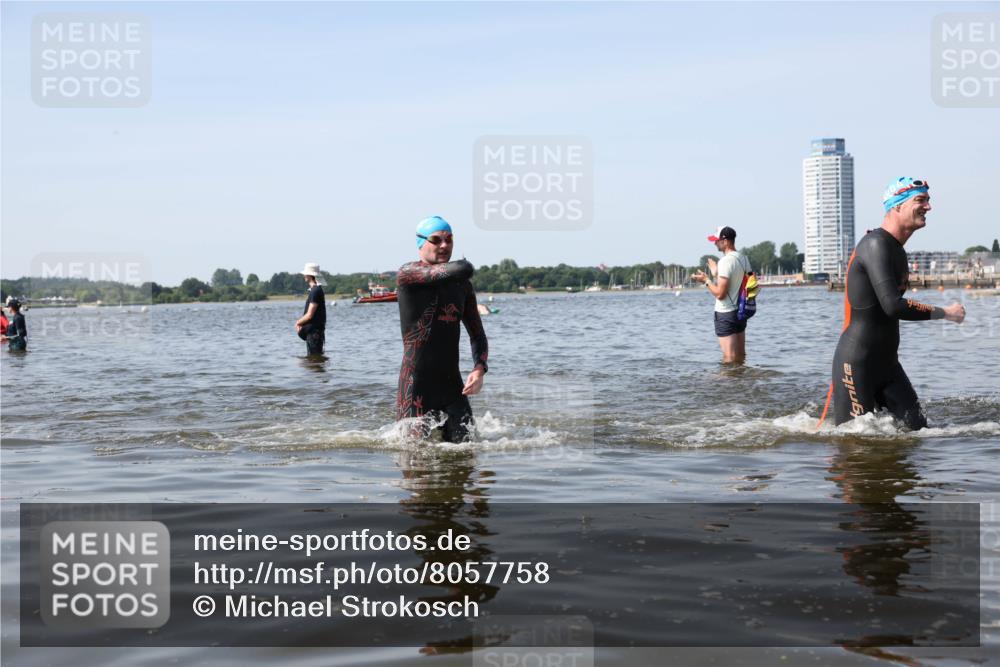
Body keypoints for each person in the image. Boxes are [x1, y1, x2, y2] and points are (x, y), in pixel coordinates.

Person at [822, 178, 965, 430]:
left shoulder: (896, 249)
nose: (928, 207)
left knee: (920, 431)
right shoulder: (875, 244)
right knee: (855, 445)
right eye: (920, 200)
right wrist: (946, 313)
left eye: (928, 200)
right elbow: (893, 305)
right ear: (896, 206)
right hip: (857, 364)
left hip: (888, 364)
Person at [396, 215, 488, 443]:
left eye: (449, 239)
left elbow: (477, 334)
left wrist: (479, 368)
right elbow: (464, 267)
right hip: (416, 387)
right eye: (436, 240)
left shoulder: (462, 286)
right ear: (420, 243)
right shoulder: (409, 275)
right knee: (416, 466)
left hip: (452, 387)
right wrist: (464, 265)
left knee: (467, 457)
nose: (444, 245)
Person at [691, 226, 752, 363]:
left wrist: (706, 281)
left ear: (725, 241)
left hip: (726, 314)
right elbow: (741, 280)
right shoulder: (743, 258)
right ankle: (743, 382)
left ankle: (727, 383)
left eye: (717, 240)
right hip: (741, 311)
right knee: (741, 355)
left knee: (729, 358)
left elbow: (720, 294)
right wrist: (715, 273)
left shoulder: (725, 261)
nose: (715, 243)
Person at [294, 263, 327, 356]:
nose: (304, 275)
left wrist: (298, 322)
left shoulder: (315, 291)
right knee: (315, 360)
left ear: (310, 275)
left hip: (314, 334)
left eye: (305, 274)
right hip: (314, 332)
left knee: (314, 359)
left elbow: (310, 315)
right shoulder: (316, 290)